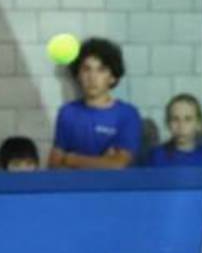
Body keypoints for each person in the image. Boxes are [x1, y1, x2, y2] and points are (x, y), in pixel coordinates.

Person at [48, 37, 142, 170]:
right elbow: (54, 164)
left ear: (112, 77)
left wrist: (71, 159)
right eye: (86, 69)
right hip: (75, 184)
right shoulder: (67, 112)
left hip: (113, 184)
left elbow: (118, 165)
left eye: (101, 70)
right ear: (78, 75)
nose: (92, 77)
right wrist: (102, 161)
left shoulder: (127, 114)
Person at [148, 93, 202, 167]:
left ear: (198, 123)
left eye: (188, 119)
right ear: (168, 123)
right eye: (175, 119)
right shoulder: (156, 157)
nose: (181, 126)